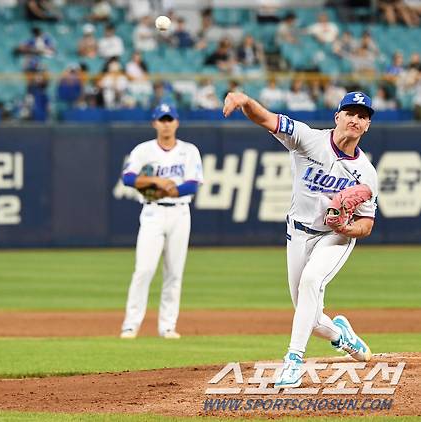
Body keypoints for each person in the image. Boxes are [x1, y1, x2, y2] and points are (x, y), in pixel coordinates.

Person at [222, 90, 378, 388]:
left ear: (367, 126)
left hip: (334, 237)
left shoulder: (366, 173)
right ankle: (341, 335)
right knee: (311, 317)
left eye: (363, 116)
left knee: (311, 281)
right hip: (297, 234)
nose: (356, 120)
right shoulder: (309, 139)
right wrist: (244, 101)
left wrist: (346, 229)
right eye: (350, 113)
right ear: (337, 117)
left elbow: (367, 224)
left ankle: (293, 361)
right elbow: (266, 119)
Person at [119, 104, 203, 340]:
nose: (166, 123)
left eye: (170, 119)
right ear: (154, 123)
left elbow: (192, 184)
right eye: (161, 119)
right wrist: (157, 182)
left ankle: (167, 326)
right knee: (144, 270)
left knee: (174, 272)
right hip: (152, 213)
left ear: (176, 122)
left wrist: (168, 189)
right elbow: (127, 178)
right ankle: (130, 325)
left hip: (180, 213)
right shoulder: (143, 150)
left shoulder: (189, 151)